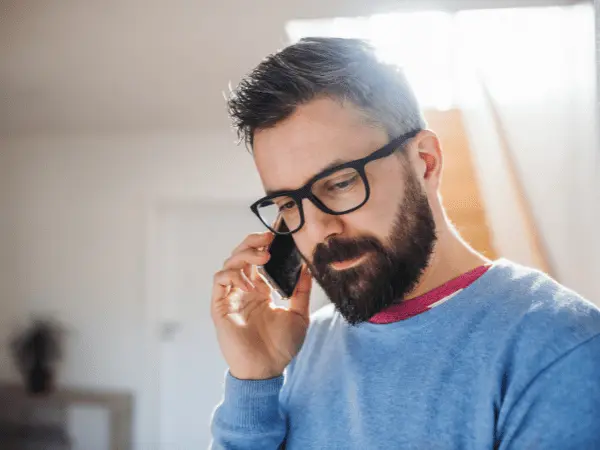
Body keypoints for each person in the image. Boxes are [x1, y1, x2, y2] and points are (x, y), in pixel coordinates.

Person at [209, 37, 600, 449]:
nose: (319, 228)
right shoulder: (299, 347)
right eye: (290, 204)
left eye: (341, 183)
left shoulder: (560, 346)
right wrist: (255, 380)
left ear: (425, 161)